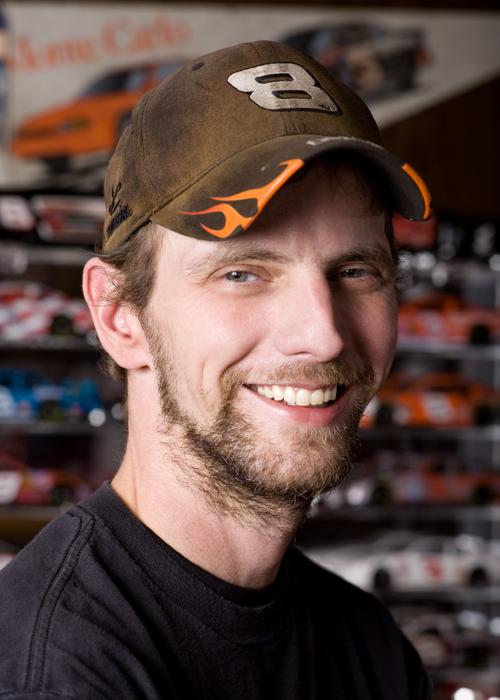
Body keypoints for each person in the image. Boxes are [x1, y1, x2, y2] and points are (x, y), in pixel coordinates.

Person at [0, 41, 433, 699]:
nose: (321, 334)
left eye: (355, 270)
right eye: (241, 272)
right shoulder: (56, 665)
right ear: (120, 317)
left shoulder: (370, 645)